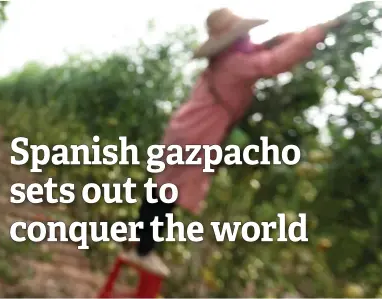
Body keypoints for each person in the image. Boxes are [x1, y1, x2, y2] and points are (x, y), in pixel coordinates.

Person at [120, 8, 346, 276]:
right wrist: (317, 33)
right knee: (166, 192)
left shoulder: (228, 58)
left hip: (189, 129)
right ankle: (142, 249)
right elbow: (272, 63)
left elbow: (264, 52)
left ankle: (140, 244)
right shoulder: (235, 63)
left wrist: (289, 37)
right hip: (195, 133)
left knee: (165, 188)